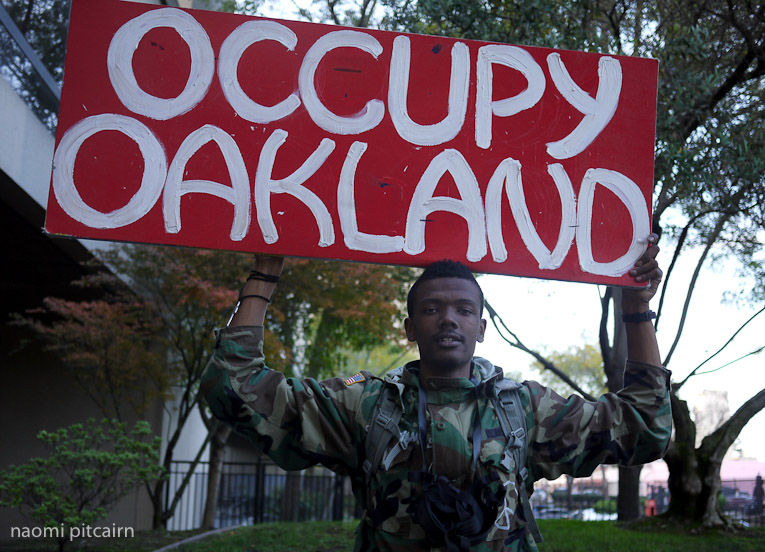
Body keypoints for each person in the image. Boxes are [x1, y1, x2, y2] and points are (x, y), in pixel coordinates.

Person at [201, 234, 671, 552]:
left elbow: (645, 426)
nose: (448, 319)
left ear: (481, 328)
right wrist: (263, 278)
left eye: (464, 309)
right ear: (409, 326)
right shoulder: (365, 405)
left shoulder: (525, 408)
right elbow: (234, 386)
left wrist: (634, 309)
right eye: (432, 308)